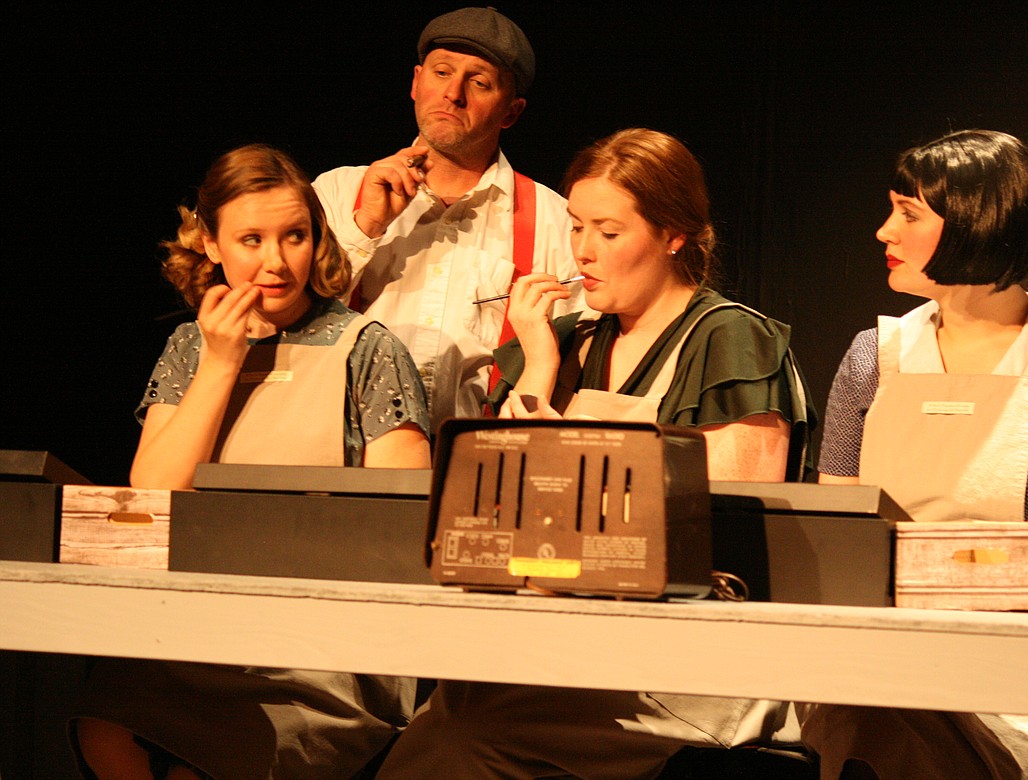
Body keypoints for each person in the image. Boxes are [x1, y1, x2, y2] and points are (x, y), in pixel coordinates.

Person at [374, 128, 817, 779]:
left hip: (689, 662)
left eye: (609, 233)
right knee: (452, 704)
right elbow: (488, 516)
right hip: (565, 642)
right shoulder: (561, 345)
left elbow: (726, 534)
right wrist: (538, 370)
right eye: (577, 227)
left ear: (673, 235)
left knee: (463, 733)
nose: (583, 250)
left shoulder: (730, 341)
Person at [808, 129, 1028, 779]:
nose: (884, 233)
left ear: (980, 223)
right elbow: (835, 539)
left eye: (908, 214)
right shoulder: (872, 358)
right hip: (890, 659)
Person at [72, 143, 432, 779]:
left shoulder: (367, 349)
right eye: (251, 239)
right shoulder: (191, 347)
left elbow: (401, 527)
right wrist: (221, 361)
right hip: (202, 623)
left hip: (327, 644)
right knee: (105, 729)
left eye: (295, 236)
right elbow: (154, 491)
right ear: (211, 244)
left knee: (202, 766)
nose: (275, 261)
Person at [313, 6, 586, 429]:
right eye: (442, 73)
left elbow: (580, 366)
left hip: (479, 465)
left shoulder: (557, 222)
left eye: (479, 83)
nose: (453, 93)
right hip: (337, 457)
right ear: (416, 82)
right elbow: (287, 322)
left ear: (511, 112)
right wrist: (365, 227)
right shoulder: (336, 193)